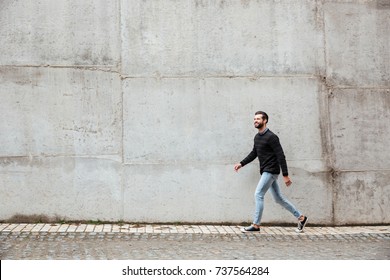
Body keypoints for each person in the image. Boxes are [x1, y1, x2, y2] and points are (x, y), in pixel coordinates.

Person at [234, 111, 308, 233]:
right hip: (266, 171)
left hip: (271, 170)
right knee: (278, 198)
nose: (255, 121)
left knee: (258, 194)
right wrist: (241, 164)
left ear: (265, 121)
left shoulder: (272, 137)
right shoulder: (257, 137)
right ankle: (301, 217)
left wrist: (285, 175)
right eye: (254, 119)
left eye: (258, 119)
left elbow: (281, 156)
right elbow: (254, 153)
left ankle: (256, 225)